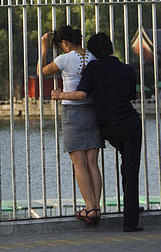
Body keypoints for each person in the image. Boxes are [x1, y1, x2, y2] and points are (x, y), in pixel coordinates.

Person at [51, 32, 143, 233]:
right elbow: (130, 96)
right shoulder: (128, 69)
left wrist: (60, 95)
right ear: (111, 48)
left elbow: (82, 93)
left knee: (91, 163)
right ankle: (131, 219)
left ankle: (96, 207)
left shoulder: (93, 67)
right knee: (130, 169)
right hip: (131, 123)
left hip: (108, 126)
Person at [37, 25, 104, 225]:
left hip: (72, 112)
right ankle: (97, 207)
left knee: (79, 162)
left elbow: (41, 71)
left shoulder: (65, 59)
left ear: (64, 43)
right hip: (92, 110)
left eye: (62, 45)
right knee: (92, 162)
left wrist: (44, 47)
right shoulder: (92, 57)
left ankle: (89, 208)